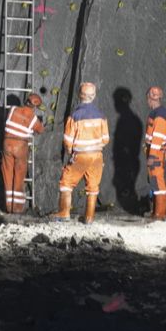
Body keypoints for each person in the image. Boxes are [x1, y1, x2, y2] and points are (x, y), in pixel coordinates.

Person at [53, 82, 110, 224]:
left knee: (66, 182)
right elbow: (106, 139)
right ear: (94, 96)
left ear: (80, 95)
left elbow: (68, 140)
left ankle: (64, 213)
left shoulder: (75, 115)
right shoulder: (101, 115)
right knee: (93, 186)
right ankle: (89, 217)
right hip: (97, 156)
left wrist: (70, 152)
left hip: (81, 156)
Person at [2, 94, 45, 213]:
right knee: (19, 176)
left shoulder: (13, 109)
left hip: (7, 143)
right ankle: (17, 208)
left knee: (7, 174)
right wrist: (40, 122)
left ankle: (8, 206)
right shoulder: (33, 119)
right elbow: (41, 130)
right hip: (20, 146)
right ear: (35, 107)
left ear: (26, 101)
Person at [144, 86, 166, 220]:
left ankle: (160, 213)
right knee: (154, 182)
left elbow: (157, 137)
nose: (147, 101)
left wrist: (152, 155)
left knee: (158, 182)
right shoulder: (156, 113)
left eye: (148, 98)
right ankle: (156, 212)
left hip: (157, 153)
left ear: (151, 98)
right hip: (154, 151)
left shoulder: (160, 115)